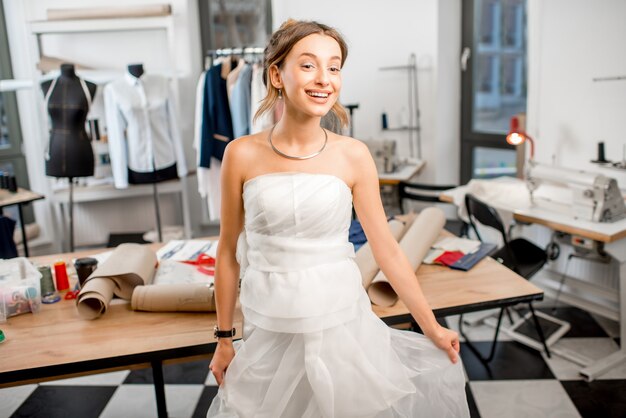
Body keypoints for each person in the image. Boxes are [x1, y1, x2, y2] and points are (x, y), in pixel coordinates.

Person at [207, 19, 469, 417]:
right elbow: (227, 253)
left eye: (334, 67)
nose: (324, 79)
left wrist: (431, 327)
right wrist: (224, 339)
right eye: (309, 65)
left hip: (343, 328)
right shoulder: (240, 154)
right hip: (268, 328)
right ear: (277, 74)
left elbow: (387, 251)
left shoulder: (354, 155)